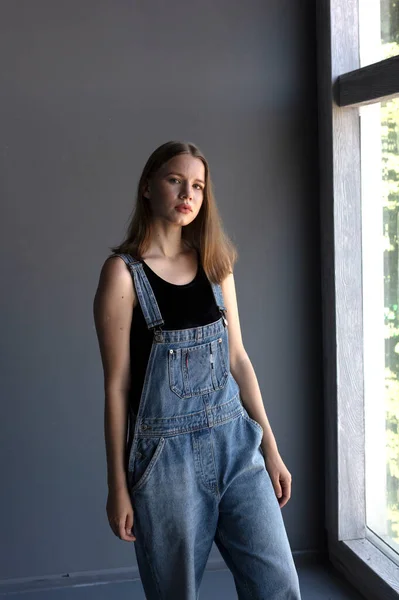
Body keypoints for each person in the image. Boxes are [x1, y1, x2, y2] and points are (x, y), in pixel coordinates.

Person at [93, 140, 302, 599]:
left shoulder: (215, 264)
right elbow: (116, 389)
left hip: (236, 446)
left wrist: (270, 447)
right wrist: (118, 486)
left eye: (198, 186)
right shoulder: (123, 275)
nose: (188, 193)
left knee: (278, 587)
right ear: (148, 187)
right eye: (175, 180)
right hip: (165, 464)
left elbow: (238, 359)